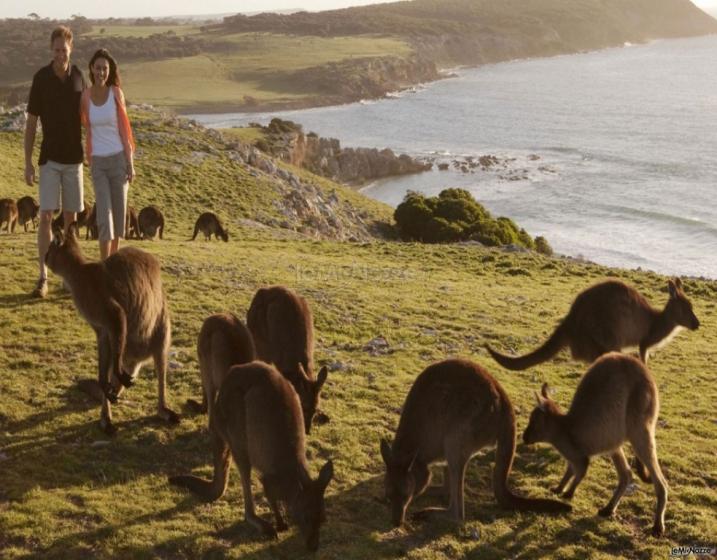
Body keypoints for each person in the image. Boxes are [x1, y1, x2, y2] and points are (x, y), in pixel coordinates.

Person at [24, 26, 86, 298]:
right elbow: (31, 123)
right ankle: (43, 277)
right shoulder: (41, 78)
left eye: (64, 49)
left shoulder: (79, 77)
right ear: (51, 49)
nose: (61, 54)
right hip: (49, 159)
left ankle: (69, 279)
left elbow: (90, 117)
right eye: (56, 50)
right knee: (46, 216)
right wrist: (27, 162)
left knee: (71, 220)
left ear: (71, 48)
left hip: (74, 160)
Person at [80, 48, 136, 259]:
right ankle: (104, 265)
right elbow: (85, 125)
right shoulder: (85, 96)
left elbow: (124, 130)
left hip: (119, 159)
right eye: (97, 68)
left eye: (105, 68)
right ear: (92, 70)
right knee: (104, 214)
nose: (101, 72)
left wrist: (130, 164)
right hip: (98, 162)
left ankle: (114, 262)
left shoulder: (116, 93)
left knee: (119, 213)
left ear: (109, 70)